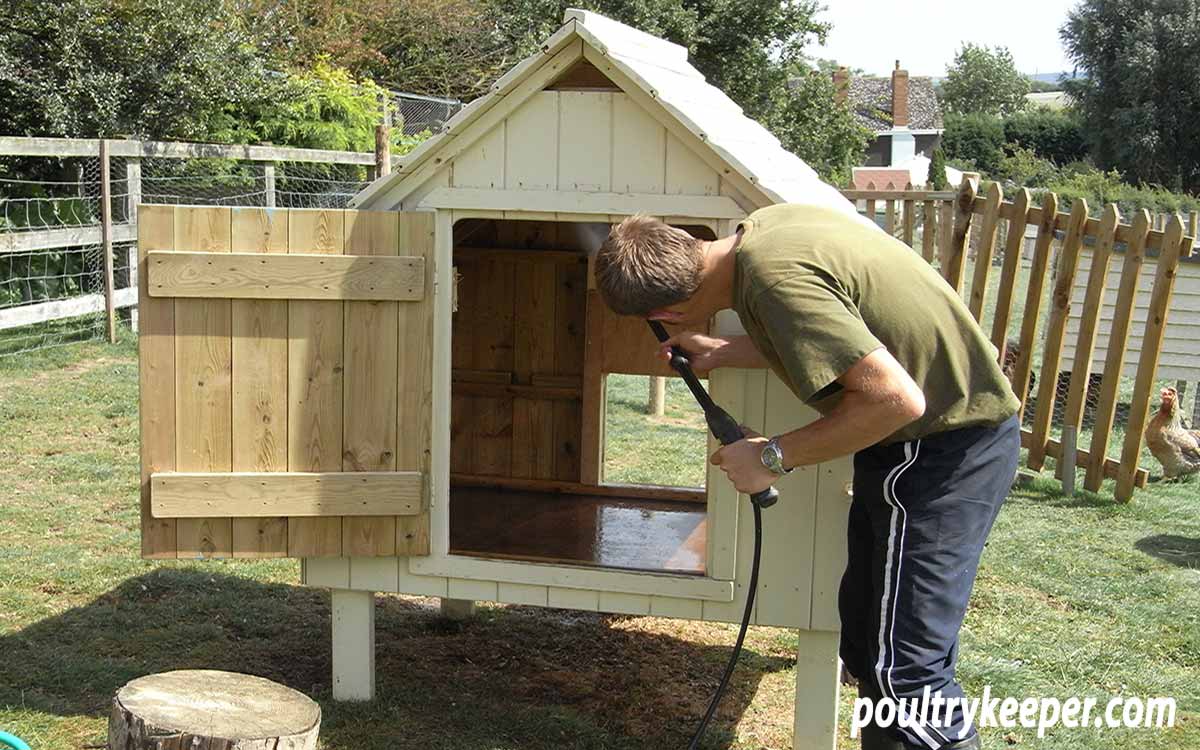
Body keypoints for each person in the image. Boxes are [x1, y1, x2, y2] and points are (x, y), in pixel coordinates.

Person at [593, 205, 1021, 750]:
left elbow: (896, 400)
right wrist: (728, 351)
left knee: (906, 675)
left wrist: (769, 456)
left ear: (667, 314)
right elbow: (835, 336)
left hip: (938, 452)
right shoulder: (767, 231)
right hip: (920, 449)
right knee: (870, 644)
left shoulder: (775, 282)